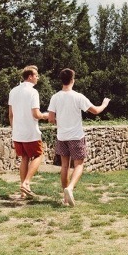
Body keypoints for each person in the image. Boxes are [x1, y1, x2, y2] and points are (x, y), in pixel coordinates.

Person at [47, 68, 110, 207]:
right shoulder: (78, 96)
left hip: (62, 136)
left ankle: (65, 198)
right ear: (73, 80)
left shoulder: (55, 97)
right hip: (76, 136)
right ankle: (70, 188)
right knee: (79, 165)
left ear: (61, 80)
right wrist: (104, 104)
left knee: (64, 166)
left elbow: (51, 119)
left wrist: (61, 122)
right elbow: (96, 111)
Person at [8, 65, 49, 198]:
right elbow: (36, 114)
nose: (38, 77)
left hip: (17, 132)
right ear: (30, 76)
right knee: (38, 155)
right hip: (30, 132)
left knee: (24, 158)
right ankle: (26, 183)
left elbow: (10, 114)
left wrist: (15, 130)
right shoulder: (33, 92)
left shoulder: (13, 91)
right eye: (36, 75)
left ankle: (23, 192)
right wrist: (47, 115)